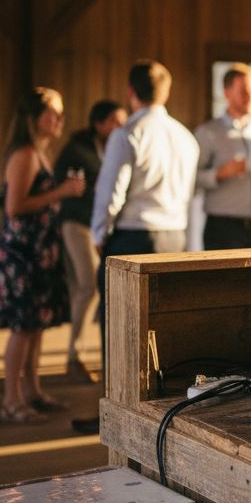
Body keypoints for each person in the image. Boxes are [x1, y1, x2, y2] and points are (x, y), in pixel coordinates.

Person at [91, 60, 199, 389]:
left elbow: (110, 191)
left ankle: (116, 399)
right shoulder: (185, 136)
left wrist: (99, 233)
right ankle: (159, 396)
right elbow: (189, 194)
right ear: (166, 92)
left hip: (133, 237)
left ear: (130, 92)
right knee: (161, 324)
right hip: (174, 236)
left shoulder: (127, 134)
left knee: (120, 326)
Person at [0, 87, 85, 423]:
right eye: (53, 112)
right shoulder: (25, 154)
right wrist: (60, 192)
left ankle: (33, 390)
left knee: (37, 326)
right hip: (23, 253)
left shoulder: (41, 153)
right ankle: (11, 400)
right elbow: (14, 207)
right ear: (34, 117)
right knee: (23, 327)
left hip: (40, 251)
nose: (60, 118)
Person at [54, 99, 126, 381]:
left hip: (99, 226)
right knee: (88, 284)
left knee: (95, 286)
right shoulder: (77, 150)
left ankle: (83, 354)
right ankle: (75, 355)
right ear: (98, 124)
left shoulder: (114, 147)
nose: (120, 127)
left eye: (122, 121)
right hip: (78, 222)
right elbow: (65, 181)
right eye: (114, 122)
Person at [194, 63, 251, 249]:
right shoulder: (208, 132)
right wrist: (220, 173)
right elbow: (192, 179)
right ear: (226, 93)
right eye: (244, 91)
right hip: (223, 229)